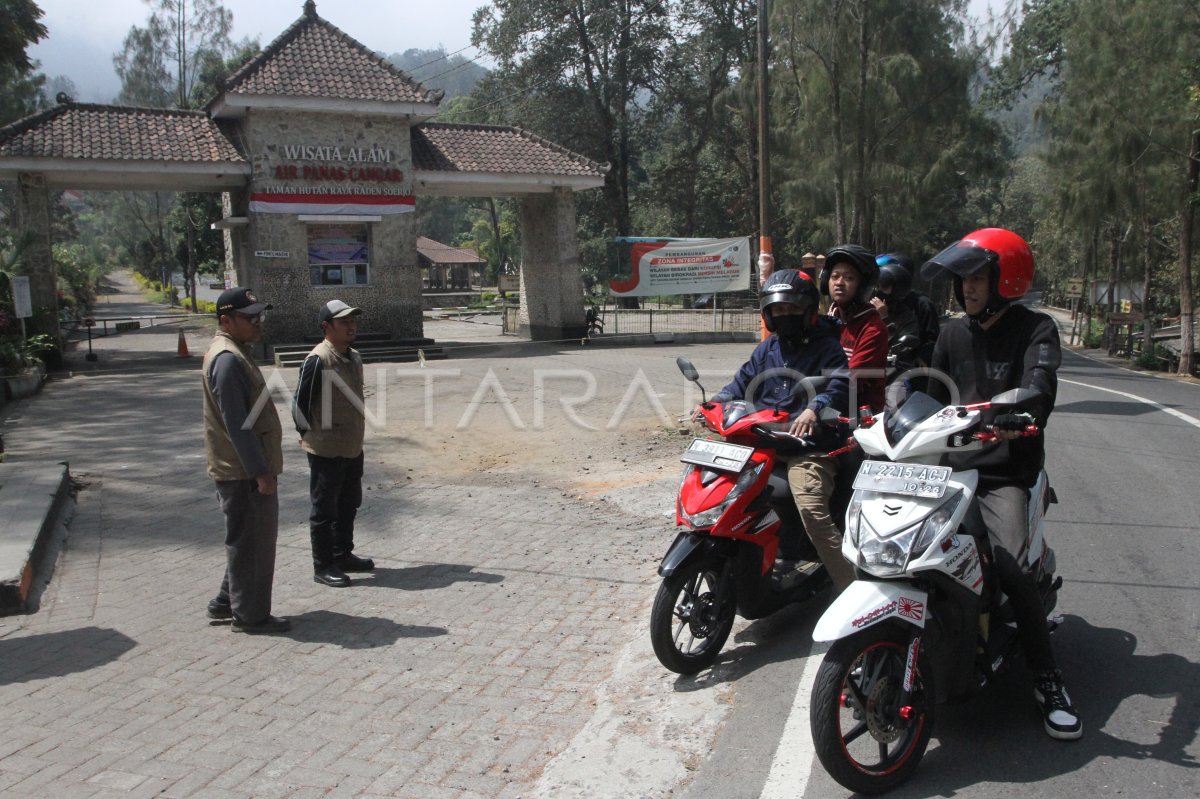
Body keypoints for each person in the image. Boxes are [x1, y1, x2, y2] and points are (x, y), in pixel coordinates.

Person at [921, 227, 1082, 741]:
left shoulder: (1037, 330)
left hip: (1003, 472)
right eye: (962, 278)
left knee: (1011, 567)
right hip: (949, 469)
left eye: (976, 277)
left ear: (1004, 280)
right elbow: (928, 396)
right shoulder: (950, 334)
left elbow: (1041, 383)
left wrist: (1023, 408)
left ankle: (1048, 678)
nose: (966, 287)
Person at [709, 269, 856, 591]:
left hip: (809, 448)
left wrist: (813, 409)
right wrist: (715, 403)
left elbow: (841, 383)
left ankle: (850, 588)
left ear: (807, 310)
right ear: (768, 313)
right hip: (763, 443)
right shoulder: (767, 349)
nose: (784, 315)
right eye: (778, 309)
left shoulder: (827, 348)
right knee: (720, 495)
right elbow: (741, 381)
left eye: (791, 308)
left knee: (812, 509)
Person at [202, 287, 290, 634]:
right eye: (250, 317)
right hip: (243, 473)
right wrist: (260, 472)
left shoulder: (235, 352)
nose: (257, 323)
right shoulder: (227, 360)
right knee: (253, 542)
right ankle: (250, 616)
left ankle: (227, 600)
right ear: (226, 320)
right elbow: (238, 425)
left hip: (239, 469)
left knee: (244, 538)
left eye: (259, 316)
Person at [292, 299, 375, 588]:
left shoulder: (354, 357)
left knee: (349, 503)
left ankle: (343, 553)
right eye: (344, 322)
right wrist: (305, 432)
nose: (351, 326)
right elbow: (300, 403)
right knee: (324, 509)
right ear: (327, 327)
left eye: (353, 321)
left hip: (352, 444)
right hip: (326, 447)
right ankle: (323, 564)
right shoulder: (318, 359)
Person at [819, 245, 889, 414]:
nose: (839, 283)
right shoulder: (827, 320)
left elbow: (849, 378)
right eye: (834, 276)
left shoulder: (872, 328)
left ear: (862, 286)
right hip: (824, 406)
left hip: (857, 416)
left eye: (849, 278)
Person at [877, 252, 940, 367]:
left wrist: (922, 357)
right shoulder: (879, 304)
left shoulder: (922, 303)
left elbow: (932, 338)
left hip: (912, 365)